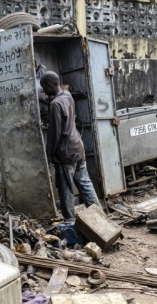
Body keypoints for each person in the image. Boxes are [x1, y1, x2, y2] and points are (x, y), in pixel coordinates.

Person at [40, 71, 100, 220]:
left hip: (66, 152)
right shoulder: (67, 96)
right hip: (78, 146)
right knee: (85, 182)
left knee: (66, 188)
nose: (43, 91)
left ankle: (70, 222)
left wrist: (49, 155)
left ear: (50, 85)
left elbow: (55, 134)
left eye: (44, 88)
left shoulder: (55, 104)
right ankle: (99, 215)